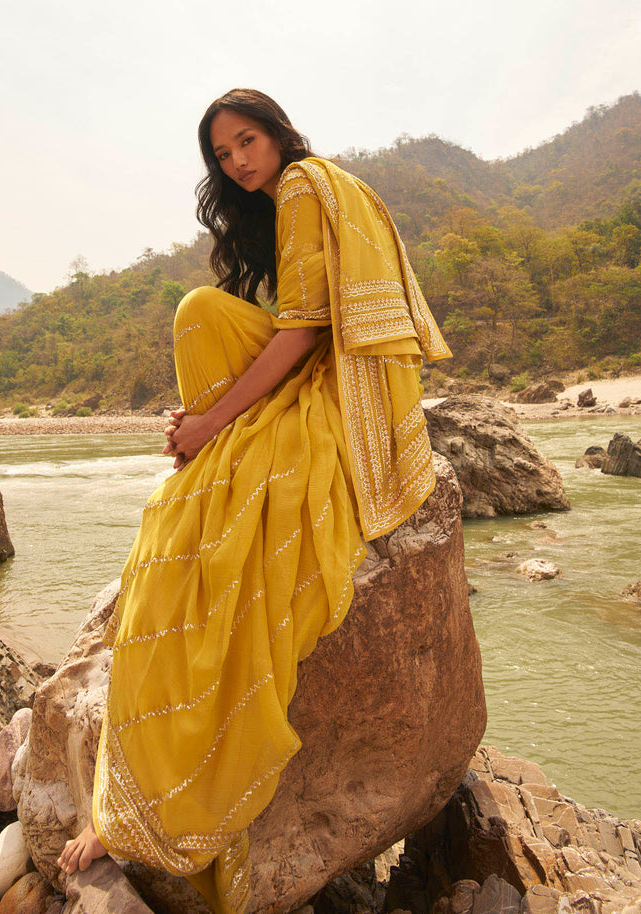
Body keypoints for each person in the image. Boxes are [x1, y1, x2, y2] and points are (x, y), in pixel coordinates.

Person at [58, 89, 451, 914]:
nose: (237, 160)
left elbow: (304, 335)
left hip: (334, 391)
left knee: (195, 506)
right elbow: (291, 328)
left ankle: (153, 806)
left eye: (247, 140)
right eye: (223, 153)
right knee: (204, 310)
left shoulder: (306, 185)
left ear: (277, 135)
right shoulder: (292, 197)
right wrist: (211, 425)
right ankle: (218, 449)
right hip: (323, 376)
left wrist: (208, 423)